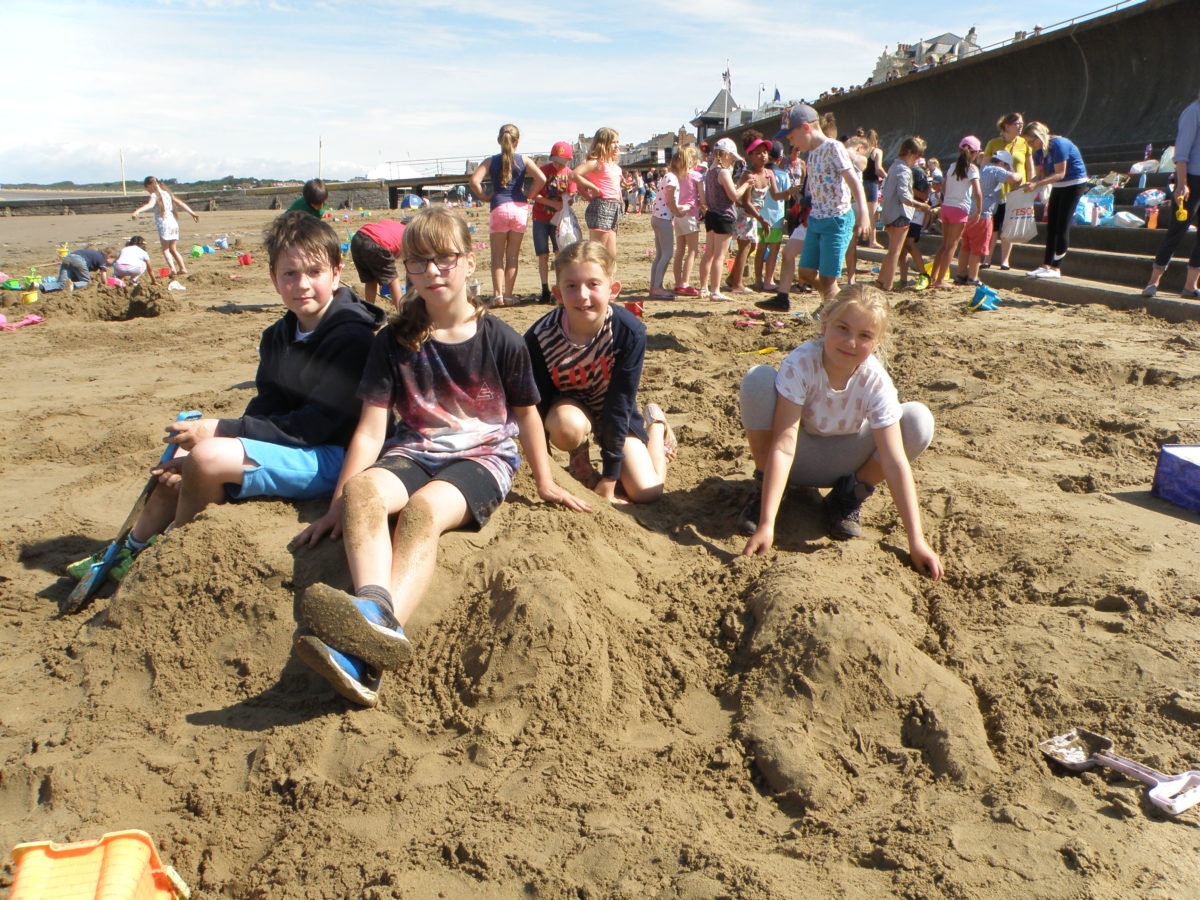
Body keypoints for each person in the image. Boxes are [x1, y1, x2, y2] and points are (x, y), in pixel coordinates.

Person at [291, 208, 590, 706]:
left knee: (422, 511)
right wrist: (336, 504)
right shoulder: (393, 340)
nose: (431, 271)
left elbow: (528, 414)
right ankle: (374, 613)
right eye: (418, 261)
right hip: (415, 449)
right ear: (405, 269)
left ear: (469, 263)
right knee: (364, 491)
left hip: (483, 458)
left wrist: (545, 479)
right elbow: (370, 431)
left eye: (444, 259)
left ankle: (369, 639)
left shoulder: (502, 339)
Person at [67, 212, 385, 587]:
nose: (302, 284)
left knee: (206, 455)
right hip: (298, 443)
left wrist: (220, 430)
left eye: (314, 272)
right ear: (273, 279)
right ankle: (132, 546)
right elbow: (267, 405)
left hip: (335, 453)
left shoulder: (353, 336)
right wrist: (221, 433)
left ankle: (170, 556)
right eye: (289, 274)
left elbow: (315, 427)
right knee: (184, 453)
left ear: (336, 271)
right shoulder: (278, 335)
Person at [737, 284, 942, 580]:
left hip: (845, 461)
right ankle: (767, 490)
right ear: (825, 323)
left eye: (864, 336)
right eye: (843, 328)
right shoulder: (802, 362)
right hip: (796, 458)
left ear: (877, 342)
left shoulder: (875, 380)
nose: (850, 342)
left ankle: (848, 496)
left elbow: (895, 462)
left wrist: (916, 541)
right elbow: (783, 445)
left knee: (918, 420)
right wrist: (768, 524)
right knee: (757, 380)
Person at [525, 241, 675, 504]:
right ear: (557, 293)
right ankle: (580, 462)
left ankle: (657, 426)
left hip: (612, 410)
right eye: (571, 286)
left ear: (612, 290)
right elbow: (537, 406)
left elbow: (620, 402)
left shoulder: (628, 331)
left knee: (646, 491)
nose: (583, 295)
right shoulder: (538, 337)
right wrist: (545, 474)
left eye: (593, 284)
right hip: (570, 408)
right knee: (566, 427)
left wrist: (610, 477)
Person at [776, 103, 871, 300]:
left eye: (792, 137)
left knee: (829, 278)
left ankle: (831, 306)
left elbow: (854, 182)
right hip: (816, 219)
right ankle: (834, 302)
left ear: (805, 128)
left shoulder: (833, 147)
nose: (792, 143)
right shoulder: (813, 153)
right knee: (806, 272)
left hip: (837, 219)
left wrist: (864, 214)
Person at [469, 124, 547, 307]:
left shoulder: (491, 161)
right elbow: (541, 179)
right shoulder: (524, 160)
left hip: (499, 207)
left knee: (497, 256)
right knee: (512, 256)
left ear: (499, 141)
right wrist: (530, 195)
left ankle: (497, 295)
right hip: (519, 208)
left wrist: (484, 197)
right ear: (517, 142)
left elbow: (474, 181)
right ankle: (509, 295)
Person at [1143, 90, 1200, 300]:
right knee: (1177, 229)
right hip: (1191, 179)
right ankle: (1153, 281)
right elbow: (1182, 151)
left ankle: (1190, 286)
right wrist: (1182, 183)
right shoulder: (1193, 112)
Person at [1022, 122, 1089, 279]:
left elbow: (1060, 173)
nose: (1030, 145)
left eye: (1032, 141)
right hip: (1059, 186)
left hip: (1074, 183)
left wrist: (1036, 184)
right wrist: (1030, 182)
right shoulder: (1038, 152)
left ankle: (1056, 267)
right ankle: (1046, 265)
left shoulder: (1058, 144)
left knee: (1062, 225)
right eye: (1028, 142)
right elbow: (1040, 175)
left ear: (1040, 136)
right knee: (1051, 225)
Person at [877, 137, 933, 291]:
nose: (917, 161)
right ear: (909, 153)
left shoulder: (894, 166)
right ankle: (887, 284)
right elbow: (905, 197)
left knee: (892, 251)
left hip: (889, 214)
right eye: (917, 157)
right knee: (895, 252)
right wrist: (922, 206)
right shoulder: (904, 170)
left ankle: (882, 280)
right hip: (900, 215)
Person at [958, 150, 1021, 285]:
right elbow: (1013, 179)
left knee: (966, 247)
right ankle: (973, 277)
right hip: (983, 215)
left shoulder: (981, 168)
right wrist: (1019, 174)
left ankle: (960, 274)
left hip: (969, 213)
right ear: (1001, 163)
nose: (1007, 169)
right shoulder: (995, 170)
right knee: (978, 248)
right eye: (1007, 166)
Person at [527, 140, 578, 304]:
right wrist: (553, 204)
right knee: (542, 254)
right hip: (540, 217)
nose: (557, 164)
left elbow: (571, 197)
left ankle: (558, 289)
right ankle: (544, 289)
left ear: (568, 161)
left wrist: (564, 203)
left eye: (561, 161)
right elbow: (534, 195)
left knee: (559, 253)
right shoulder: (543, 171)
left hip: (558, 220)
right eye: (555, 160)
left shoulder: (569, 173)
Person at [928, 137, 982, 289]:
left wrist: (948, 199)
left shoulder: (952, 166)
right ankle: (940, 280)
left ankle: (933, 277)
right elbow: (977, 192)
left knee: (944, 245)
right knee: (952, 246)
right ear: (976, 152)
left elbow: (944, 187)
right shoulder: (972, 169)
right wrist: (978, 210)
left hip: (947, 207)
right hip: (959, 209)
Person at [982, 113, 1034, 270]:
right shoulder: (993, 143)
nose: (1020, 126)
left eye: (1022, 123)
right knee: (993, 227)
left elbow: (1029, 168)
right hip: (996, 192)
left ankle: (1005, 260)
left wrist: (1030, 185)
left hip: (1017, 191)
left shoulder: (1024, 143)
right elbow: (984, 167)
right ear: (1006, 126)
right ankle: (987, 258)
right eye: (1017, 123)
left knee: (1009, 228)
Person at [697, 138, 744, 302]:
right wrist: (747, 185)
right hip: (724, 216)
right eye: (731, 157)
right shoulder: (723, 172)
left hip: (711, 214)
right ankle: (715, 291)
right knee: (719, 256)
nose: (732, 160)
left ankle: (703, 287)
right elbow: (734, 195)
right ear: (724, 155)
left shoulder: (709, 172)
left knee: (709, 253)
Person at [131, 176, 200, 277]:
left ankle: (173, 269)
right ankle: (182, 268)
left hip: (164, 224)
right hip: (173, 223)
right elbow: (180, 203)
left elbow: (150, 205)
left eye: (147, 188)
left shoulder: (155, 195)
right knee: (173, 249)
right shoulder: (167, 193)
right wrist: (192, 213)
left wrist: (138, 211)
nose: (148, 191)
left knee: (165, 249)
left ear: (149, 186)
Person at [728, 138, 771, 294]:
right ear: (750, 156)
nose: (763, 156)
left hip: (753, 215)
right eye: (758, 153)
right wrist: (762, 220)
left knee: (751, 246)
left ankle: (733, 278)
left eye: (765, 152)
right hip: (744, 215)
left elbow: (776, 194)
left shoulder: (768, 173)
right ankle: (737, 284)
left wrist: (790, 192)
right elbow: (746, 202)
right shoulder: (748, 175)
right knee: (745, 247)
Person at [572, 127, 624, 256]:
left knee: (611, 254)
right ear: (603, 144)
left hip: (616, 207)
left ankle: (608, 276)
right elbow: (574, 175)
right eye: (613, 142)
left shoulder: (615, 167)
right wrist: (593, 190)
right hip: (602, 206)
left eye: (617, 142)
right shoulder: (596, 163)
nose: (617, 146)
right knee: (597, 251)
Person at [667, 145, 703, 297]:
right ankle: (685, 282)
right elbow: (703, 197)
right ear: (693, 161)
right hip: (690, 213)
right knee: (693, 250)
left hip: (678, 214)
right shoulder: (696, 176)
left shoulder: (675, 176)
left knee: (680, 250)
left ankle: (678, 282)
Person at [754, 141, 791, 292]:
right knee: (774, 248)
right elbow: (787, 196)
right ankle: (768, 280)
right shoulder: (783, 175)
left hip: (760, 215)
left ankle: (758, 280)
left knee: (760, 248)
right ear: (780, 158)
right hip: (776, 216)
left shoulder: (760, 173)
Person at [349, 219, 406, 306]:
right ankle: (402, 313)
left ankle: (369, 310)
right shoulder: (409, 235)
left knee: (370, 280)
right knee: (393, 279)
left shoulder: (391, 223)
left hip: (357, 239)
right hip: (378, 244)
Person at [647, 158, 677, 300]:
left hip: (657, 217)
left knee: (660, 255)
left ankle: (654, 286)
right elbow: (670, 201)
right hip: (664, 218)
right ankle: (657, 287)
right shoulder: (672, 178)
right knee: (667, 254)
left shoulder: (666, 176)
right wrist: (679, 211)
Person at [859, 128, 887, 248]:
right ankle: (872, 241)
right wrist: (887, 176)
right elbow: (878, 168)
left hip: (861, 183)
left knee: (861, 212)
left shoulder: (863, 152)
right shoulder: (877, 151)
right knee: (872, 214)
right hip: (871, 183)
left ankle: (859, 239)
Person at [50, 246, 115, 292]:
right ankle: (73, 285)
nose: (112, 264)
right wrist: (106, 285)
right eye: (113, 261)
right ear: (109, 256)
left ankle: (41, 287)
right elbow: (103, 275)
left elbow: (81, 270)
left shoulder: (95, 254)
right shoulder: (102, 259)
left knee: (61, 283)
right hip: (78, 260)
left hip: (68, 257)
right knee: (87, 282)